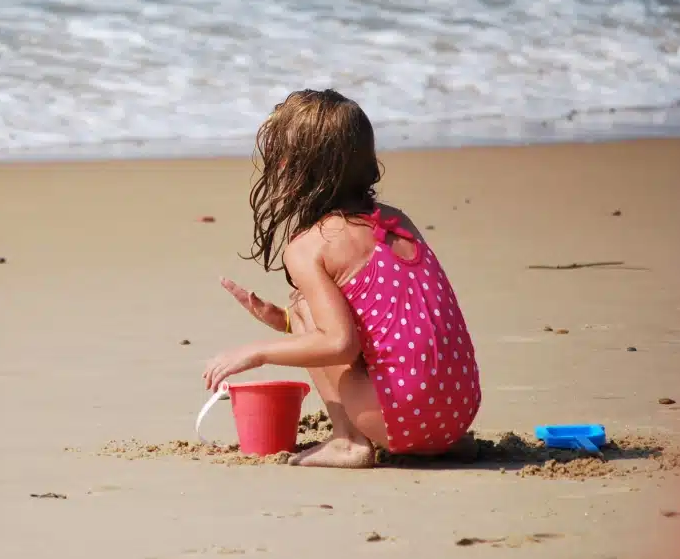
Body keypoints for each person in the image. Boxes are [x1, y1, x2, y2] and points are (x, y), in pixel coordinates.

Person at [203, 89, 481, 468]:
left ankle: (349, 441)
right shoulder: (397, 220)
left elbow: (340, 344)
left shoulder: (309, 248)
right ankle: (436, 440)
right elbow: (398, 319)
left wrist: (256, 352)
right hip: (458, 412)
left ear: (293, 168)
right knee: (300, 312)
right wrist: (285, 322)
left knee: (304, 305)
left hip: (402, 419)